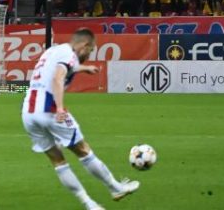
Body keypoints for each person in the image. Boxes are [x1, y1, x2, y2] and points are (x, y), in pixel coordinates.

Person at [22, 29, 139, 210]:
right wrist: (60, 106)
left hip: (29, 113)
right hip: (50, 109)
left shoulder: (53, 51)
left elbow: (61, 68)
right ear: (84, 46)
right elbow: (58, 77)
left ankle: (89, 203)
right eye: (90, 51)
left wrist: (85, 69)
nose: (88, 55)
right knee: (83, 150)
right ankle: (115, 188)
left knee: (58, 160)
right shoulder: (70, 55)